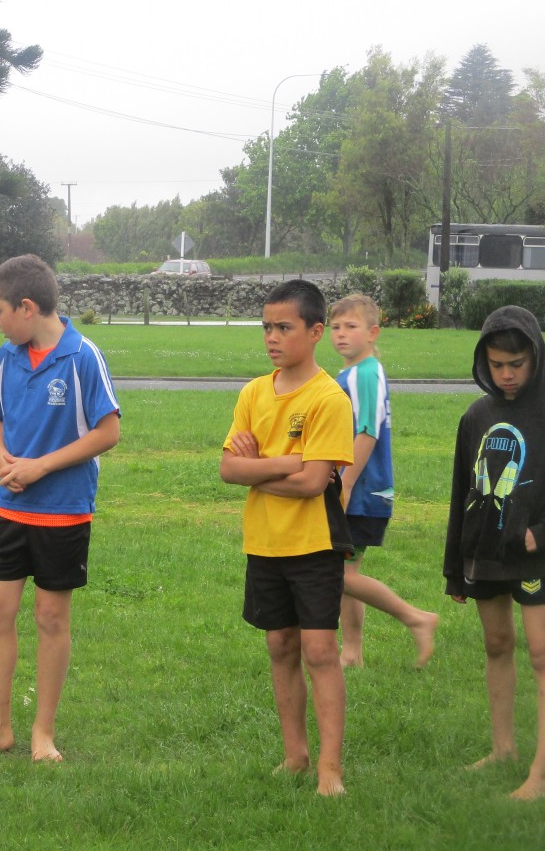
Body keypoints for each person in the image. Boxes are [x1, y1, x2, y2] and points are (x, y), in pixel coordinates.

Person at [0, 254, 120, 763]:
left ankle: (43, 733)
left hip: (64, 511)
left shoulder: (83, 355)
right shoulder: (8, 357)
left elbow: (109, 432)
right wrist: (1, 457)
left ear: (26, 307)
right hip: (10, 510)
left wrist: (40, 467)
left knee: (50, 617)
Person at [443, 305, 545, 801]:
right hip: (483, 556)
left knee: (544, 654)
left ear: (536, 359)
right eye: (496, 365)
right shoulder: (476, 417)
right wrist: (455, 570)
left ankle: (542, 775)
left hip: (534, 559)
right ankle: (503, 749)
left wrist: (544, 534)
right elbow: (462, 495)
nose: (506, 375)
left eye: (516, 364)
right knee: (496, 645)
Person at [220, 279, 353, 796]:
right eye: (266, 327)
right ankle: (295, 756)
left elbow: (313, 483)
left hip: (315, 543)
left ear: (316, 332)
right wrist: (283, 463)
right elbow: (229, 470)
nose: (272, 337)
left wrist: (258, 469)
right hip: (264, 542)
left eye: (284, 327)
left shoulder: (328, 398)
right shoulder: (254, 392)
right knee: (280, 645)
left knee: (319, 651)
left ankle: (330, 770)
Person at [327, 294, 438, 669]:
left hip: (360, 492)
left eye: (351, 326)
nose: (341, 334)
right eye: (336, 327)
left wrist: (344, 485)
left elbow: (367, 432)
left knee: (337, 573)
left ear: (373, 332)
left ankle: (416, 618)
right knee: (347, 570)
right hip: (360, 490)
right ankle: (352, 652)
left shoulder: (364, 373)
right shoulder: (355, 373)